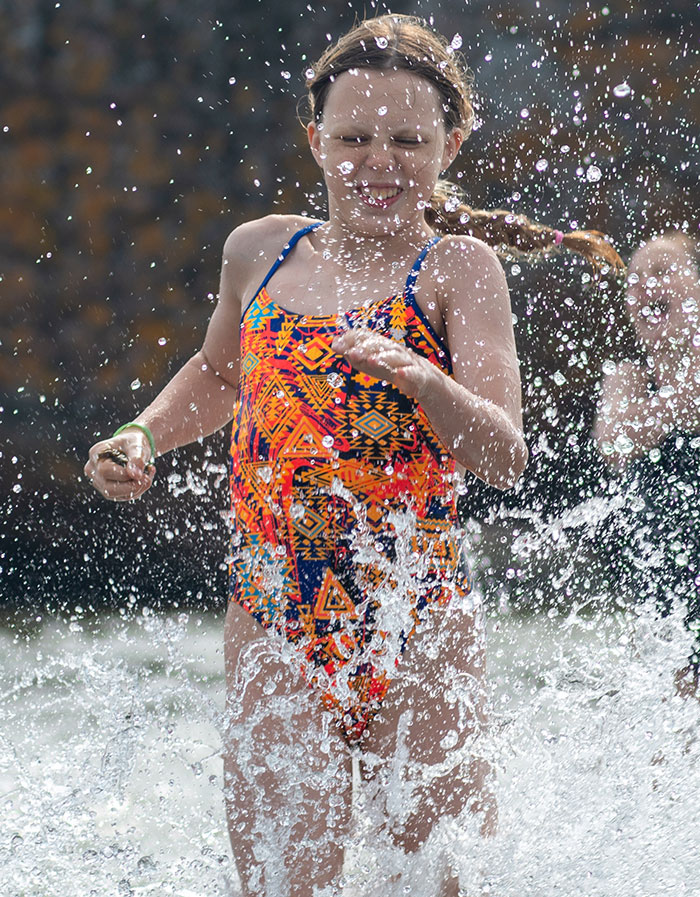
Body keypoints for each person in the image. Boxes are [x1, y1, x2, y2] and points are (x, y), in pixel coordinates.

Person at [85, 15, 623, 897]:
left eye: (409, 139)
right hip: (275, 614)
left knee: (441, 884)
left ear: (449, 143)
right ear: (315, 140)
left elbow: (506, 454)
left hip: (419, 615)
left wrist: (425, 380)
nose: (381, 160)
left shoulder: (458, 268)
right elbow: (221, 373)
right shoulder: (260, 249)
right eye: (355, 137)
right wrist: (143, 431)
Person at [593, 232, 700, 698]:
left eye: (660, 271)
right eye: (634, 280)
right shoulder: (627, 379)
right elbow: (614, 442)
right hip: (668, 610)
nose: (644, 287)